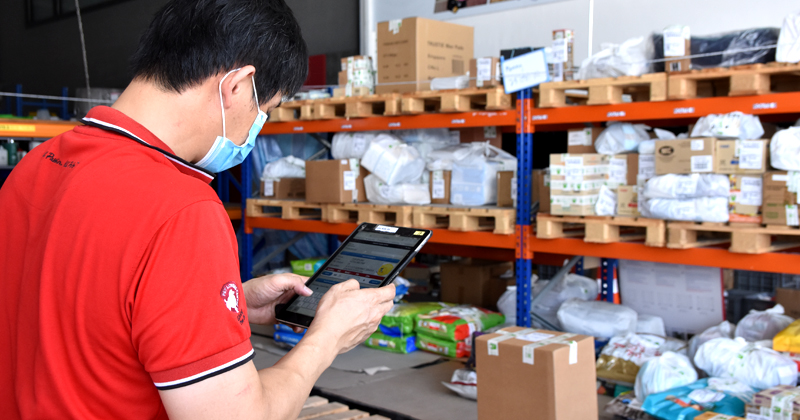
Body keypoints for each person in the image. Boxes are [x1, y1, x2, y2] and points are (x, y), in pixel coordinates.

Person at [0, 1, 396, 419]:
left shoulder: (36, 165)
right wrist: (326, 338)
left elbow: (75, 306)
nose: (255, 130)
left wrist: (224, 303)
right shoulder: (182, 210)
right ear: (238, 86)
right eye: (266, 111)